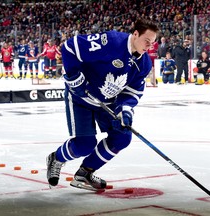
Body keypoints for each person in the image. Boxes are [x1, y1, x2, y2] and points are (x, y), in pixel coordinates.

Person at [46, 19, 158, 190]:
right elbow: (70, 47)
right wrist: (74, 77)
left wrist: (125, 112)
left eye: (152, 43)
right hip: (80, 98)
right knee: (84, 145)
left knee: (122, 136)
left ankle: (86, 172)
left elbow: (132, 92)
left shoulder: (144, 63)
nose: (149, 46)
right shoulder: (111, 42)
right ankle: (57, 158)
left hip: (107, 102)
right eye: (147, 41)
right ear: (135, 34)